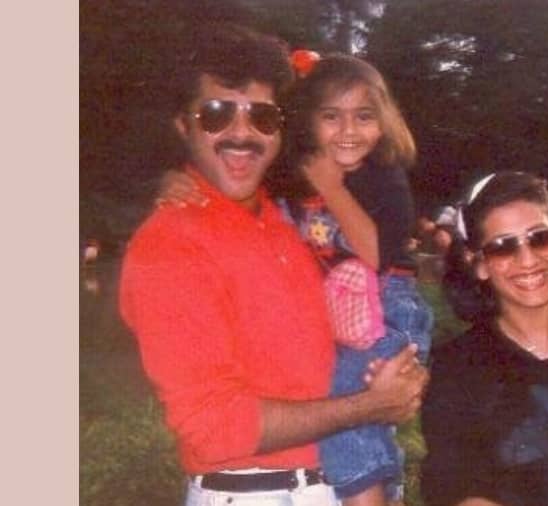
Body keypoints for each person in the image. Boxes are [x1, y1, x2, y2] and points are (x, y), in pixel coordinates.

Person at [118, 23, 427, 506]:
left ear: (282, 128)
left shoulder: (287, 216)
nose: (241, 133)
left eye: (261, 116)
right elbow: (214, 427)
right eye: (217, 114)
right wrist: (369, 405)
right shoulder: (169, 244)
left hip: (340, 488)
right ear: (184, 125)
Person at [276, 52, 434, 506]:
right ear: (309, 122)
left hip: (390, 310)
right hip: (343, 314)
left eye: (363, 116)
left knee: (346, 401)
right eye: (332, 117)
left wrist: (333, 188)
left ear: (382, 122)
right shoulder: (295, 176)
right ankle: (388, 490)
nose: (348, 131)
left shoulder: (384, 177)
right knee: (351, 409)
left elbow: (375, 256)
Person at [420, 171, 548, 506]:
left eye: (540, 238)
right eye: (503, 247)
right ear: (479, 264)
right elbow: (454, 481)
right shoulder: (457, 367)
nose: (528, 259)